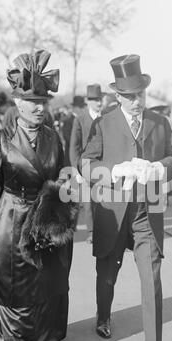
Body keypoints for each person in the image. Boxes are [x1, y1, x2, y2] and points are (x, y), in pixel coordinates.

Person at [0, 50, 75, 341]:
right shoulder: (2, 138)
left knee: (42, 284)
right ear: (18, 103)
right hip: (11, 221)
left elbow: (63, 175)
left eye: (43, 101)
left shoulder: (54, 138)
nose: (40, 107)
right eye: (33, 102)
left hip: (44, 219)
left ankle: (37, 339)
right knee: (14, 286)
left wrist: (64, 204)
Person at [81, 54, 172, 341]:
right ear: (117, 97)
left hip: (147, 213)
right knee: (107, 273)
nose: (136, 101)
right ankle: (103, 315)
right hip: (113, 212)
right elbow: (85, 164)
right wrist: (113, 171)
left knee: (151, 278)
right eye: (128, 96)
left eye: (139, 94)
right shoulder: (103, 123)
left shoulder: (160, 122)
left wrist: (159, 167)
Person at [69, 84, 104, 243]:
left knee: (105, 200)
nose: (98, 103)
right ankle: (92, 232)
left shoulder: (107, 117)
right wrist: (76, 171)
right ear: (87, 101)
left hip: (105, 165)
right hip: (86, 166)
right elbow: (74, 146)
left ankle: (106, 232)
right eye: (95, 100)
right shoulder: (80, 119)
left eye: (100, 99)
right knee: (88, 202)